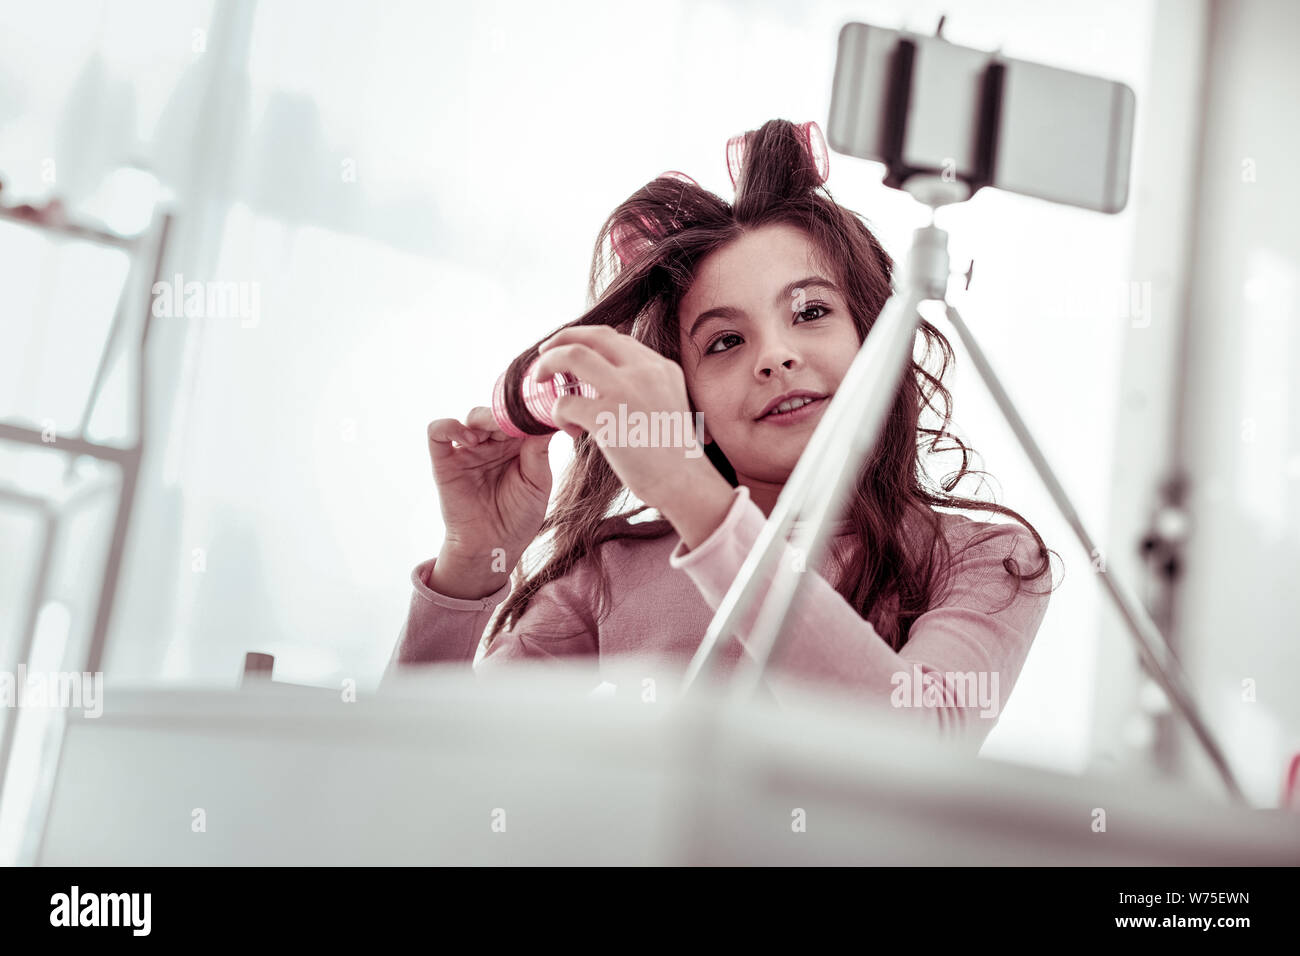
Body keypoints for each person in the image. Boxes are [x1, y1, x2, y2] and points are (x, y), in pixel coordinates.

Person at [385, 118, 1059, 750]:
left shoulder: (989, 561)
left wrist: (694, 496)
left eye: (811, 310)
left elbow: (914, 748)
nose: (774, 356)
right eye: (726, 341)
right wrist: (470, 565)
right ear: (684, 391)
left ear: (876, 332)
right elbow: (422, 787)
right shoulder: (605, 577)